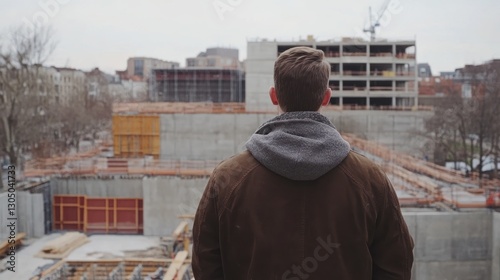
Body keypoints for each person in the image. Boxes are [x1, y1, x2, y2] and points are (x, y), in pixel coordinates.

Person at [192, 46, 414, 280]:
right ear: (326, 97)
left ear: (273, 95)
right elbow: (396, 264)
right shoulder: (369, 179)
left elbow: (205, 263)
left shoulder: (228, 178)